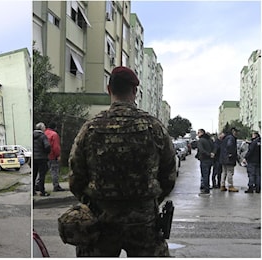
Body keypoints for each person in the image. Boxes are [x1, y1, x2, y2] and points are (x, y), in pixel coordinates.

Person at [68, 66, 177, 257]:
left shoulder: (91, 127)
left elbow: (76, 176)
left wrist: (92, 202)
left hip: (100, 219)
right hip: (143, 221)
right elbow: (169, 174)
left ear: (109, 90)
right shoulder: (154, 127)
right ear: (134, 91)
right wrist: (149, 202)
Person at [45, 122, 64, 192]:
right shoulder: (54, 134)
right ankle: (56, 186)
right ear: (55, 128)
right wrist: (58, 155)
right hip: (52, 156)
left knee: (42, 171)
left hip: (44, 156)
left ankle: (38, 184)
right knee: (54, 171)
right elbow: (56, 147)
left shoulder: (44, 133)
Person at [33, 122, 51, 196]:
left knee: (34, 175)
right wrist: (46, 153)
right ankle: (42, 191)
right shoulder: (43, 136)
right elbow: (47, 146)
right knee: (42, 175)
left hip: (34, 158)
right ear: (42, 128)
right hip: (42, 158)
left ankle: (33, 191)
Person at [219, 128, 239, 192]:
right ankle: (230, 186)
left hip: (223, 158)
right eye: (236, 132)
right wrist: (231, 154)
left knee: (224, 172)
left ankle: (222, 185)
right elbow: (230, 146)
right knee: (230, 172)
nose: (237, 133)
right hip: (229, 159)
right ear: (233, 131)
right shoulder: (231, 138)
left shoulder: (225, 138)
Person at [196, 129, 215, 194]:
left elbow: (201, 150)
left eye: (198, 133)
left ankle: (206, 189)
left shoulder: (201, 140)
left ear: (202, 133)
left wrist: (208, 154)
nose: (197, 134)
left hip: (204, 159)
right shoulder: (209, 140)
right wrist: (212, 153)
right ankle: (207, 186)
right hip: (210, 160)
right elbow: (214, 147)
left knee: (205, 175)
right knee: (208, 174)